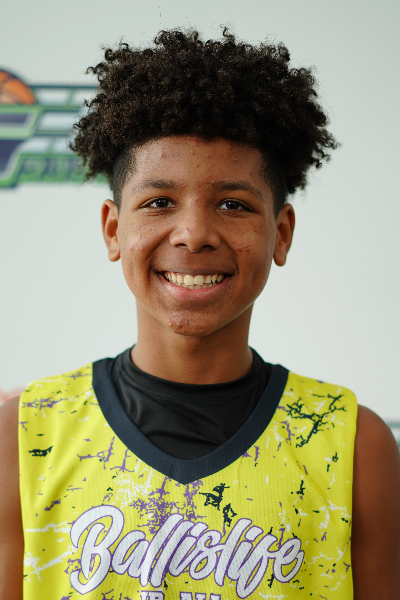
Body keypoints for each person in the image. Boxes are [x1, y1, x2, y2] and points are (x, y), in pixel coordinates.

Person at [1, 28, 399, 600]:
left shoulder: (352, 444)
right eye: (159, 202)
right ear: (114, 230)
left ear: (281, 234)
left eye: (233, 204)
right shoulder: (23, 436)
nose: (193, 233)